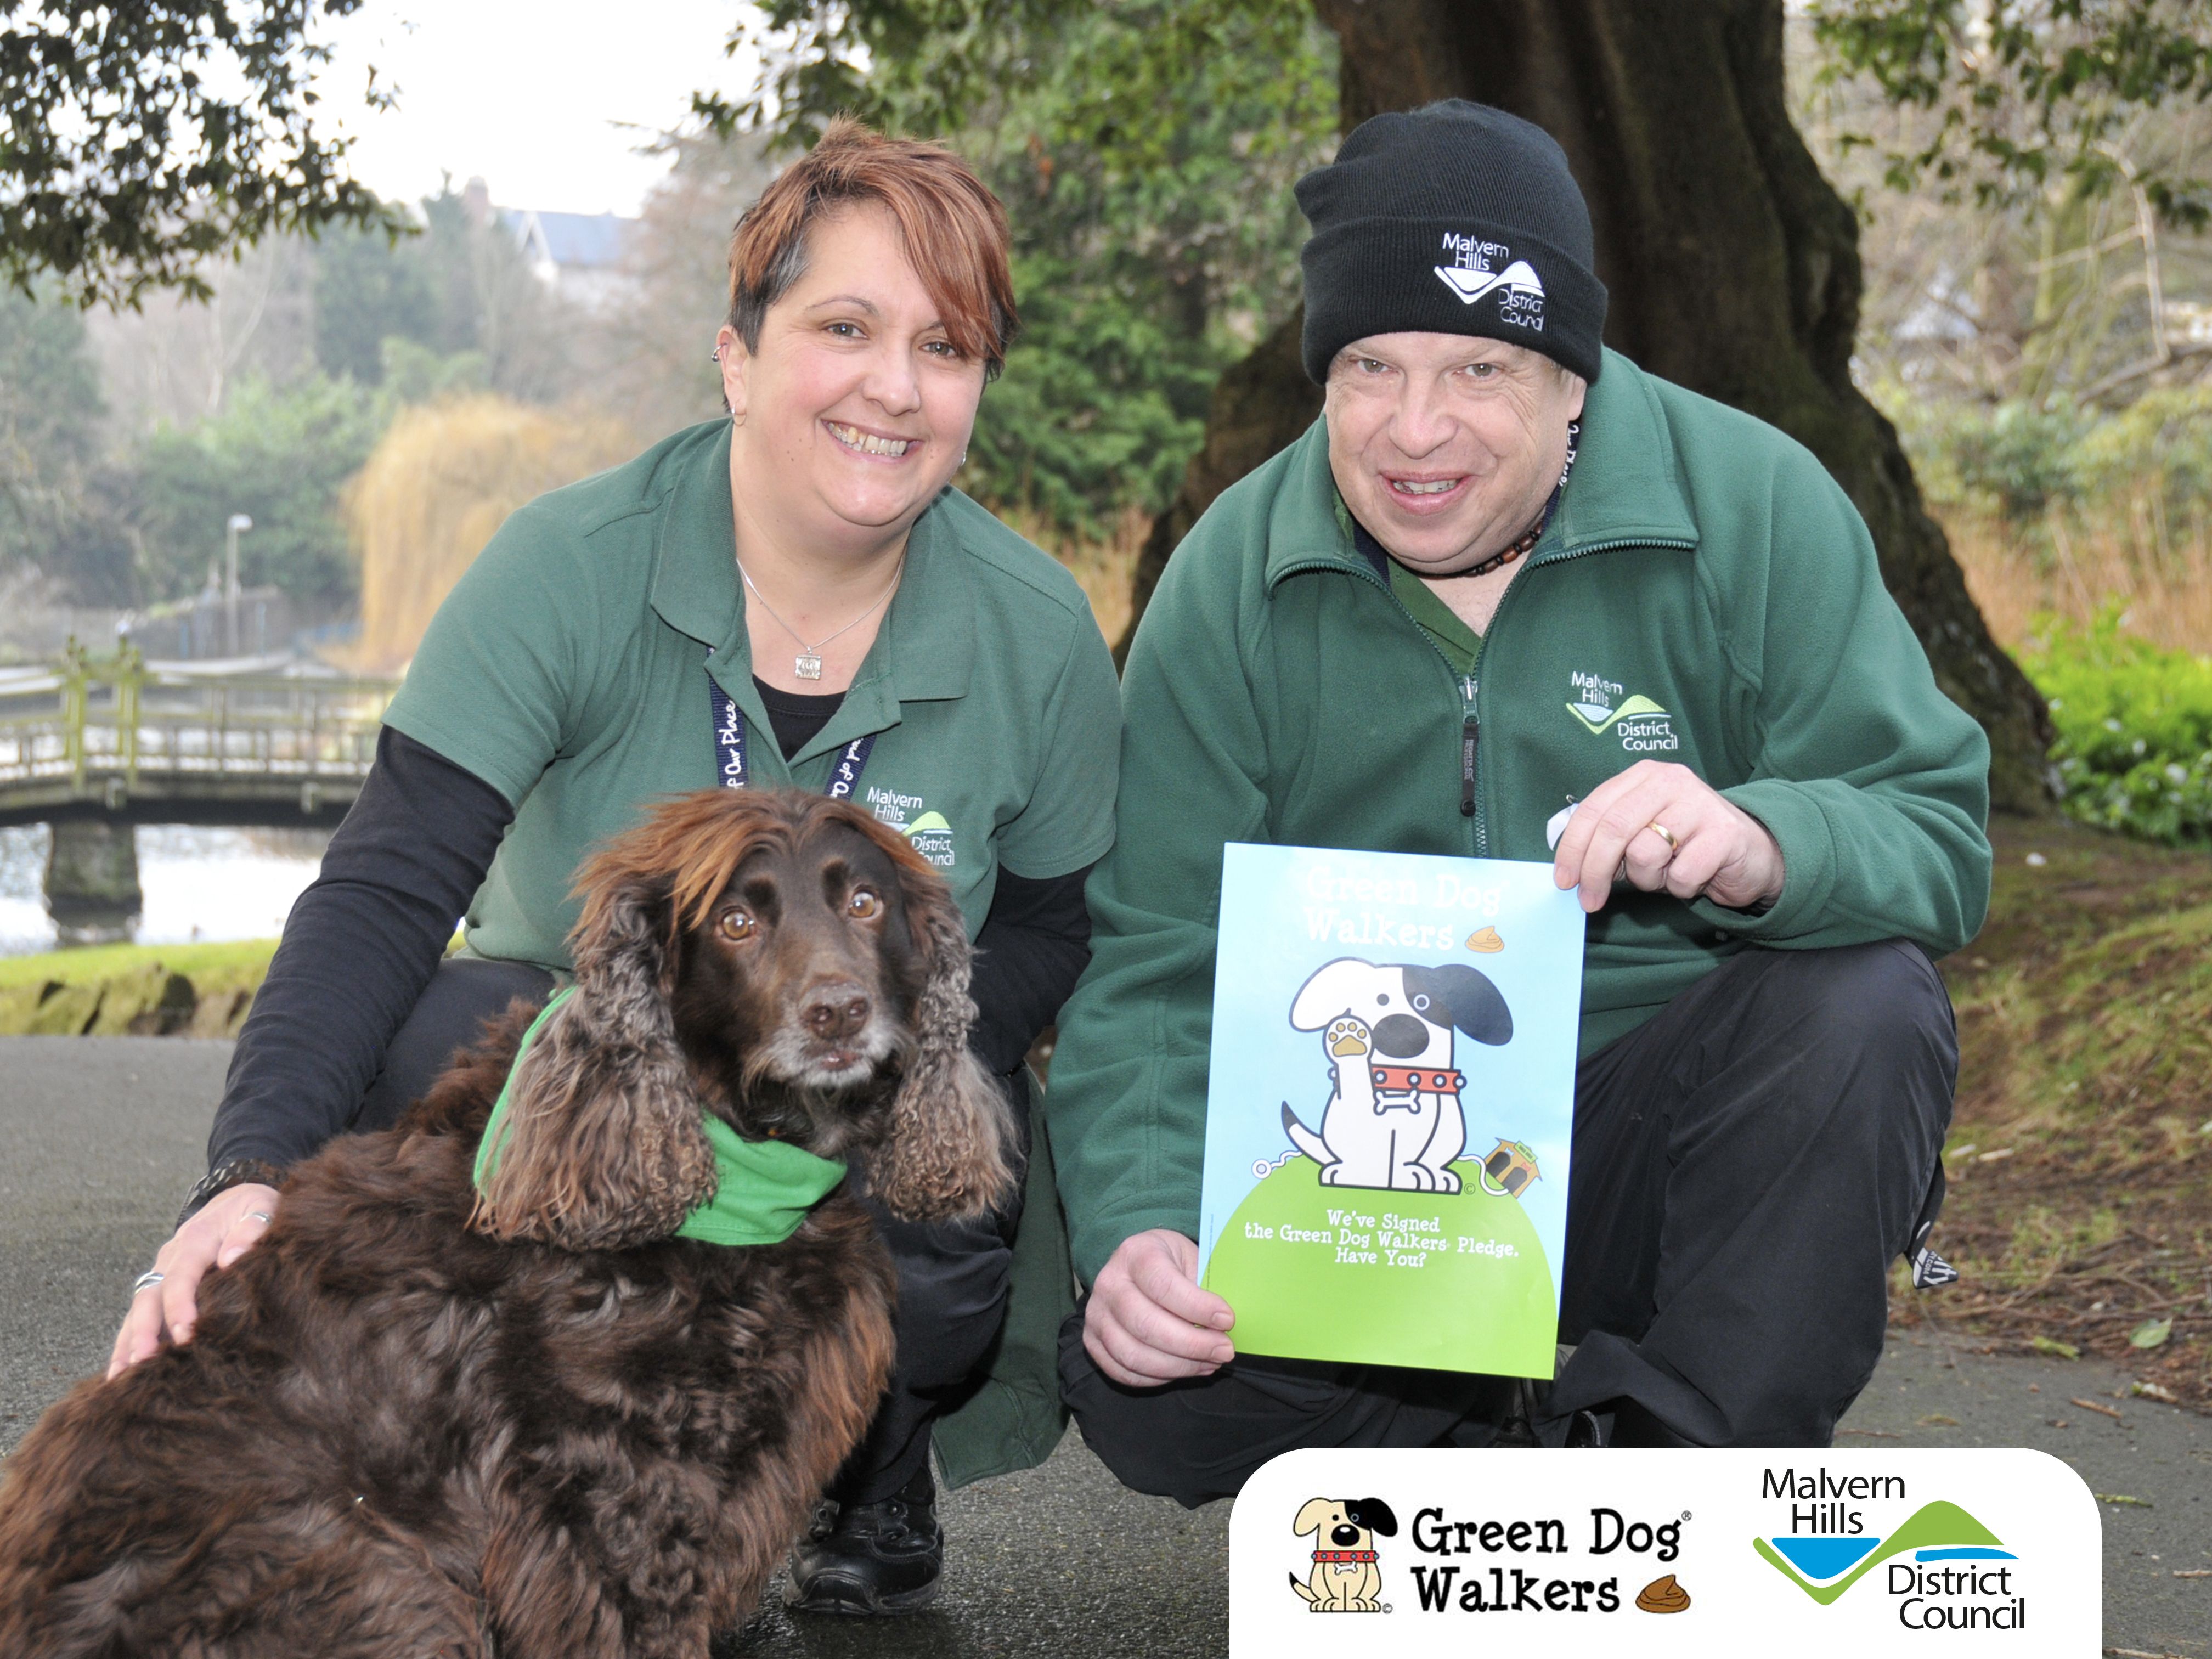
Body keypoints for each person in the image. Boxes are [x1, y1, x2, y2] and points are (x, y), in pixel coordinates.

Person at [107, 120, 1121, 1614]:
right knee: (441, 1040)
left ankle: (868, 1466)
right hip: (603, 1058)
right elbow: (388, 885)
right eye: (846, 329)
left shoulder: (1036, 630)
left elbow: (1055, 918)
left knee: (954, 1160)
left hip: (854, 1071)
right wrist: (245, 1174)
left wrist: (909, 1045)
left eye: (947, 347)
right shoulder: (566, 564)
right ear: (739, 357)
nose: (896, 388)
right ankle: (505, 1455)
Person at [1041, 100, 1991, 1501]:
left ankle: (1683, 1474)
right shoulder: (1231, 577)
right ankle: (1565, 1479)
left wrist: (1764, 841)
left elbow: (1937, 835)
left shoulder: (1757, 507)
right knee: (1137, 1386)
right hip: (1369, 1198)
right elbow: (1158, 965)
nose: (1415, 432)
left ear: (1574, 378)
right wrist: (1136, 1232)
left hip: (1642, 1168)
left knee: (1864, 996)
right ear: (1321, 377)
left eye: (1480, 366)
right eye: (1370, 364)